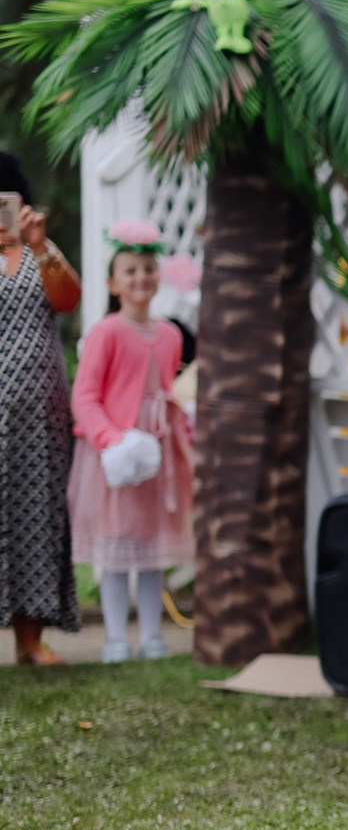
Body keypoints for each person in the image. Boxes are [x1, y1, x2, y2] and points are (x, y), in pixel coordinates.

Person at [69, 221, 195, 662]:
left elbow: (169, 391)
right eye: (130, 271)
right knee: (119, 547)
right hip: (119, 454)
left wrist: (184, 429)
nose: (141, 278)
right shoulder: (107, 332)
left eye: (148, 268)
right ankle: (117, 638)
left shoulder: (170, 335)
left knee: (153, 547)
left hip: (158, 450)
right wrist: (110, 439)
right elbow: (84, 395)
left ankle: (153, 636)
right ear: (113, 282)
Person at [0, 151, 83, 665]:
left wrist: (38, 245)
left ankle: (29, 640)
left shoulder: (40, 252)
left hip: (39, 420)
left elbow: (69, 299)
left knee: (35, 520)